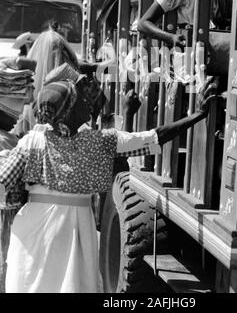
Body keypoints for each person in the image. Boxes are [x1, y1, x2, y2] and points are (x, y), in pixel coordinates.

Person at [0, 76, 217, 293]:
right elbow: (153, 138)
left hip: (34, 227)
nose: (87, 102)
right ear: (70, 112)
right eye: (80, 101)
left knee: (32, 283)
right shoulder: (99, 142)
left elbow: (4, 182)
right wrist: (197, 115)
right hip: (74, 229)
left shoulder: (31, 142)